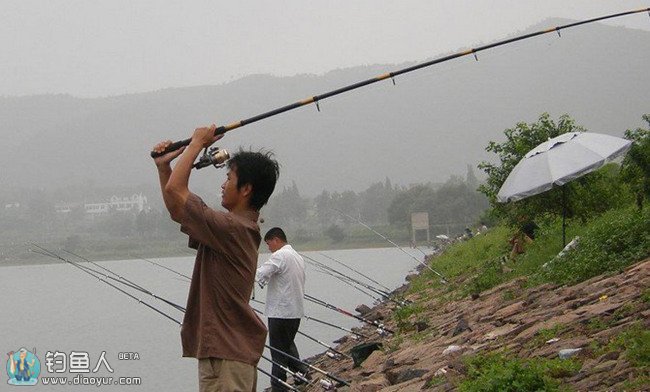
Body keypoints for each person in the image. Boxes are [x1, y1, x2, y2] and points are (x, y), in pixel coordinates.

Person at [152, 124, 280, 392]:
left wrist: (196, 143)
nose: (223, 185)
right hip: (218, 352)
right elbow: (178, 208)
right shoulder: (226, 229)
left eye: (229, 179)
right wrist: (165, 168)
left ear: (246, 189)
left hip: (229, 356)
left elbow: (178, 191)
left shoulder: (232, 229)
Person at [256, 227, 307, 391]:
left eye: (269, 243)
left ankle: (278, 386)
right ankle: (303, 375)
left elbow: (260, 273)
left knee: (277, 352)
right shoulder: (297, 257)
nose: (268, 248)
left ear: (276, 239)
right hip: (295, 312)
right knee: (287, 346)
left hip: (280, 312)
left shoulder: (280, 255)